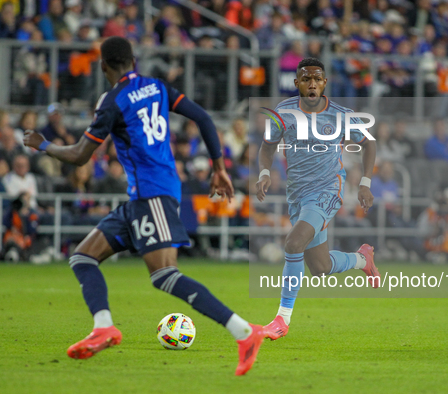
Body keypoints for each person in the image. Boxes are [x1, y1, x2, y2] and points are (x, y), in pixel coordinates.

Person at [23, 37, 264, 375]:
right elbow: (204, 119)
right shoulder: (157, 87)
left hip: (154, 194)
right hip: (143, 196)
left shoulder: (113, 101)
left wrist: (44, 144)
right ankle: (104, 327)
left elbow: (79, 156)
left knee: (165, 275)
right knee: (82, 257)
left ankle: (244, 332)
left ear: (103, 65)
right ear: (133, 60)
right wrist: (219, 167)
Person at [256, 57, 380, 341]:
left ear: (325, 83)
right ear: (296, 83)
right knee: (320, 267)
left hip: (327, 190)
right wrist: (264, 172)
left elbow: (368, 143)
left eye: (317, 79)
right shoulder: (283, 112)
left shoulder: (340, 115)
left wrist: (364, 182)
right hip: (297, 194)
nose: (312, 84)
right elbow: (267, 146)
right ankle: (362, 259)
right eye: (306, 79)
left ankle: (281, 321)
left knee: (293, 242)